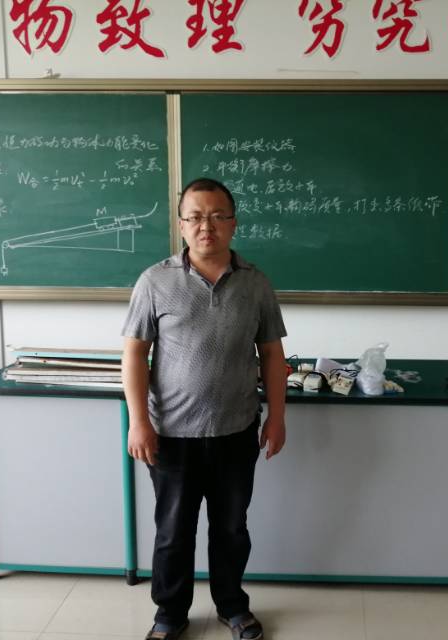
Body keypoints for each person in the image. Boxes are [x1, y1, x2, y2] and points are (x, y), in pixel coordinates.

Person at [122, 177, 287, 640]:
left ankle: (232, 606)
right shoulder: (155, 281)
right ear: (181, 225)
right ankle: (170, 614)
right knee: (173, 532)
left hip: (237, 430)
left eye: (217, 216)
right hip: (171, 435)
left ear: (233, 223)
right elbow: (134, 354)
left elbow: (272, 354)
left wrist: (277, 417)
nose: (206, 226)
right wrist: (138, 422)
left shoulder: (255, 283)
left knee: (231, 529)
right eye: (195, 217)